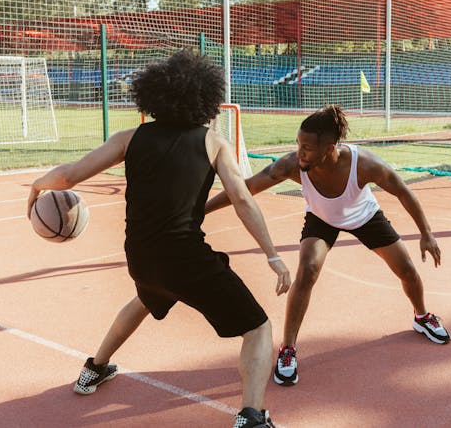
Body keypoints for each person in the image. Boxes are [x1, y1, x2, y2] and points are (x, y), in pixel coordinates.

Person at [27, 50, 290, 428]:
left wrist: (38, 185)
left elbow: (69, 177)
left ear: (153, 95)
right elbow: (243, 200)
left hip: (141, 255)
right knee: (258, 327)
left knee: (146, 298)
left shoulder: (129, 138)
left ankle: (94, 368)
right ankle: (252, 417)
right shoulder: (213, 143)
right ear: (205, 99)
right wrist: (272, 256)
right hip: (184, 257)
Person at [205, 104, 450, 388]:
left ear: (330, 148)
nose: (300, 152)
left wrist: (426, 233)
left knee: (407, 270)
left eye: (307, 147)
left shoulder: (365, 164)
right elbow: (244, 188)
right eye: (298, 144)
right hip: (322, 218)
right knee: (307, 270)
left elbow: (403, 191)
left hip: (364, 216)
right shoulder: (292, 165)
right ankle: (288, 349)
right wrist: (202, 210)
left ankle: (422, 316)